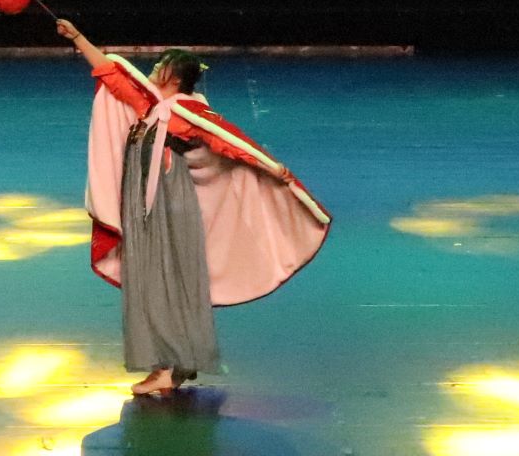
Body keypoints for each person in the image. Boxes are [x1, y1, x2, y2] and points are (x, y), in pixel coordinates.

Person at [55, 20, 329, 398]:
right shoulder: (153, 107)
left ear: (173, 76)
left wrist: (274, 170)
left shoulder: (185, 114)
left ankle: (167, 367)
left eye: (160, 65)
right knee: (155, 278)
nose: (153, 69)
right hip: (147, 205)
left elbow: (230, 142)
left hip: (166, 208)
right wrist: (77, 38)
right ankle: (173, 363)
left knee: (161, 279)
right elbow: (111, 73)